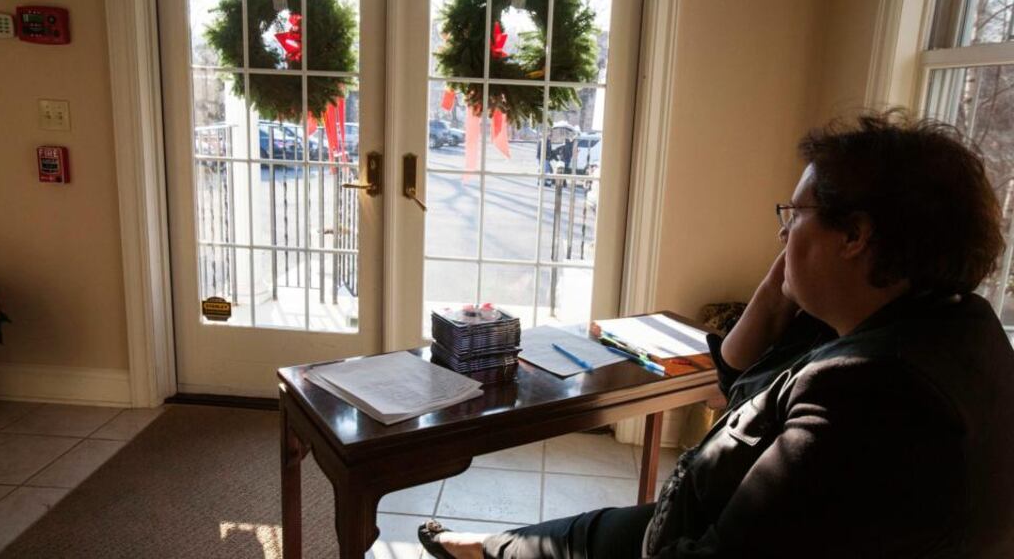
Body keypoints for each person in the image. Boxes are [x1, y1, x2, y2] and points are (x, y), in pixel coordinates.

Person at [417, 111, 1014, 558]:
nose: (782, 236)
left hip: (694, 536)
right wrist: (787, 278)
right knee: (575, 532)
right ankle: (480, 547)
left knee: (588, 543)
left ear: (855, 236)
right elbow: (734, 378)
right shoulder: (947, 325)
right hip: (693, 514)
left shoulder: (875, 394)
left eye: (794, 215)